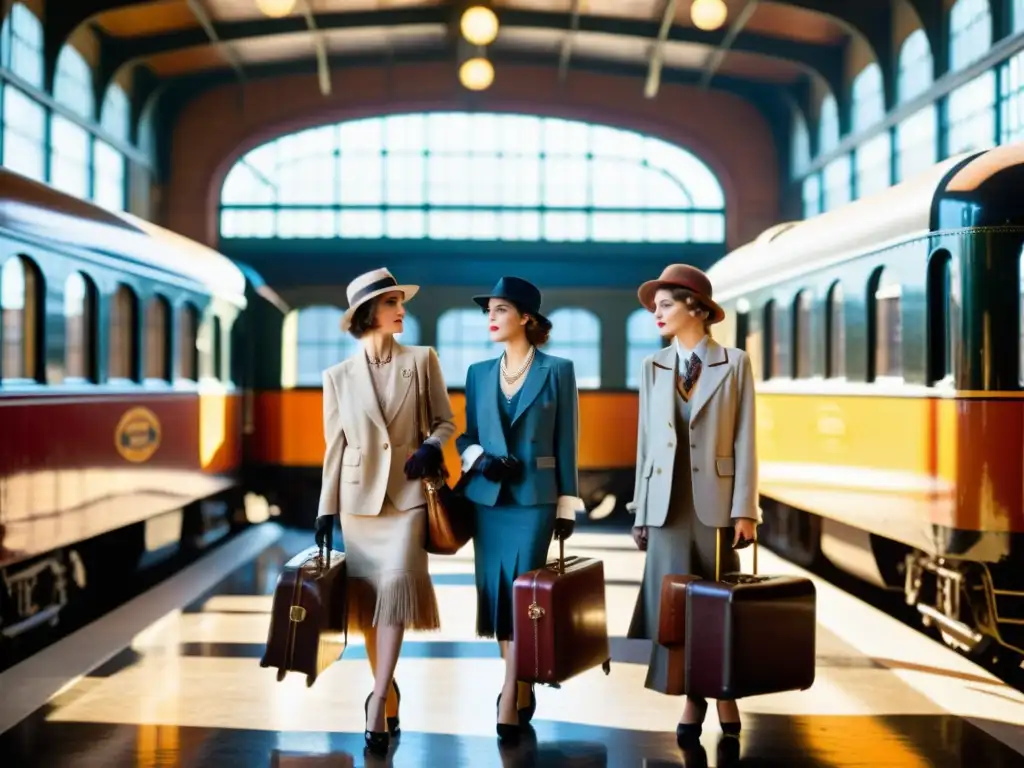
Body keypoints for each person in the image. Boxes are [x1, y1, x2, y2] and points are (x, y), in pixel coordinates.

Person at [314, 267, 455, 756]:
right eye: (392, 302)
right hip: (357, 502)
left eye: (401, 302)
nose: (402, 310)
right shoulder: (336, 377)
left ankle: (376, 698)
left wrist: (433, 448)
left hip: (409, 497)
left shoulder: (421, 359)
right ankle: (388, 688)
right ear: (367, 313)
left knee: (395, 593)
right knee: (370, 604)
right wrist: (324, 510)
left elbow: (445, 421)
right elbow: (335, 446)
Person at [625, 264, 759, 749]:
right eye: (654, 307)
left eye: (665, 305)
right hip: (664, 504)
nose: (656, 314)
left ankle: (719, 694)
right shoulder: (653, 366)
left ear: (695, 308)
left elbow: (746, 439)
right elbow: (644, 443)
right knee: (676, 610)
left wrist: (746, 509)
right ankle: (697, 697)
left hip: (716, 506)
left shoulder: (735, 362)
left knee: (717, 606)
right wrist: (640, 509)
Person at [454, 276, 583, 742]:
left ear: (526, 317)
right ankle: (521, 683)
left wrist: (567, 504)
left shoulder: (559, 370)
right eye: (488, 311)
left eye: (500, 310)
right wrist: (477, 459)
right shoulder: (477, 372)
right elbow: (465, 436)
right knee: (498, 595)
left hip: (535, 500)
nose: (490, 318)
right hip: (488, 500)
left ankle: (509, 690)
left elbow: (568, 440)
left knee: (524, 595)